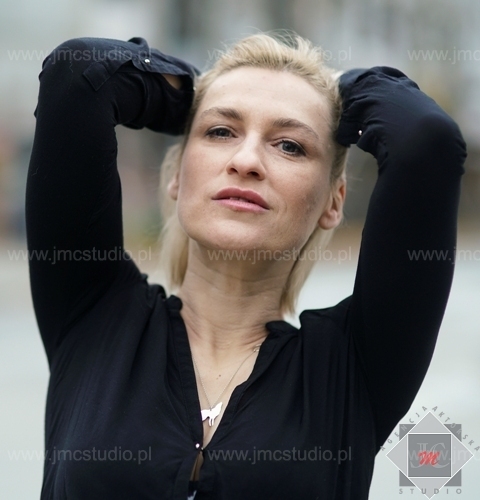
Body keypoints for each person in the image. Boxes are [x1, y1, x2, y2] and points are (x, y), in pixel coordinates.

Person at [25, 33, 466, 500]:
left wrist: (335, 88)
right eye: (220, 132)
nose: (247, 160)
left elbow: (425, 140)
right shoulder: (95, 315)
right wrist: (185, 93)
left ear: (332, 202)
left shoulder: (353, 371)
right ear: (177, 175)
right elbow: (78, 74)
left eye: (290, 145)